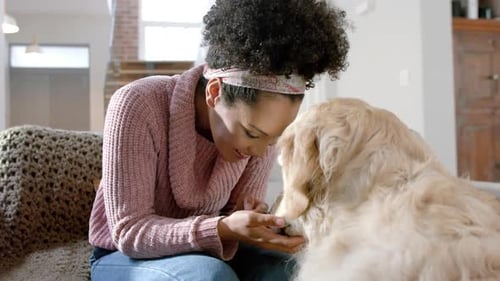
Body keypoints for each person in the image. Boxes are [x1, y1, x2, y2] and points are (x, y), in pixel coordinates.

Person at [88, 0, 349, 280]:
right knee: (208, 276)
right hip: (125, 254)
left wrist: (257, 226)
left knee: (295, 268)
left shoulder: (259, 141)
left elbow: (234, 221)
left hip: (208, 250)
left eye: (273, 139)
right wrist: (223, 228)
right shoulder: (138, 103)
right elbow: (131, 232)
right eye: (252, 133)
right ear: (214, 92)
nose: (260, 152)